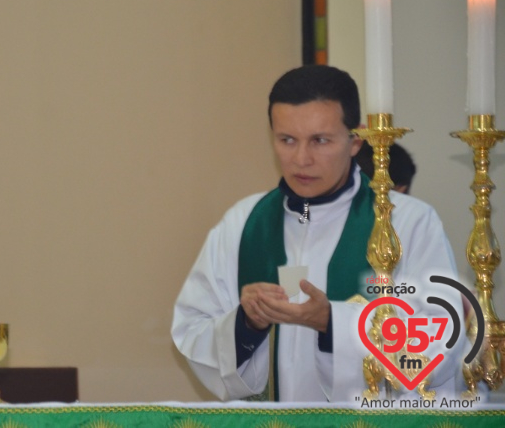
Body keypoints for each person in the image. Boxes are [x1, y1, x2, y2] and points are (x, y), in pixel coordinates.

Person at [171, 64, 462, 402]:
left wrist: (333, 323)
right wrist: (246, 325)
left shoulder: (407, 222)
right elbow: (192, 329)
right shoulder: (243, 223)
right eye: (287, 140)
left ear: (355, 142)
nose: (301, 159)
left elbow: (441, 346)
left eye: (320, 141)